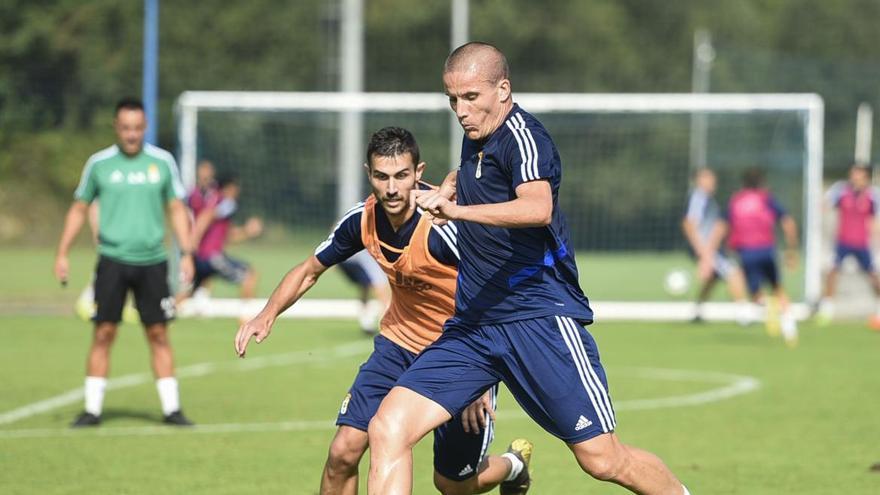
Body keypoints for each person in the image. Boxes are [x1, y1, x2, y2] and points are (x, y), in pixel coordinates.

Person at [368, 42, 690, 495]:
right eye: (452, 99)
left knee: (602, 458)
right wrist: (452, 184)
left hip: (537, 316)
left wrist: (455, 213)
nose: (461, 110)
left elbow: (537, 207)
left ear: (503, 89)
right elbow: (479, 177)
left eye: (471, 97)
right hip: (474, 325)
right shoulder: (475, 134)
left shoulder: (525, 135)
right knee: (388, 428)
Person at [234, 126, 532, 495]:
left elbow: (499, 293)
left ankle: (514, 465)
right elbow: (310, 270)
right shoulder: (362, 219)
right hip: (398, 345)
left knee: (454, 485)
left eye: (401, 176)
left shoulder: (444, 226)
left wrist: (479, 377)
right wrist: (267, 313)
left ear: (418, 174)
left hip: (458, 355)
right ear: (368, 174)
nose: (391, 188)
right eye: (382, 176)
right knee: (343, 452)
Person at [54, 97, 195, 427]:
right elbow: (79, 207)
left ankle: (172, 409)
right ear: (116, 128)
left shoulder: (161, 163)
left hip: (153, 262)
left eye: (137, 128)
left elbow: (176, 208)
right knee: (103, 332)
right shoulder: (99, 164)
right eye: (126, 128)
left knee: (158, 332)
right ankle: (92, 410)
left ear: (145, 128)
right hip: (112, 261)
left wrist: (186, 253)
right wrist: (62, 251)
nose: (132, 134)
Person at [712, 168, 799, 345]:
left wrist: (711, 251)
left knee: (756, 295)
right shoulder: (766, 199)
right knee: (777, 287)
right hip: (767, 251)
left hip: (747, 252)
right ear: (761, 183)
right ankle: (789, 326)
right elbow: (788, 223)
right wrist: (791, 250)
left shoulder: (736, 201)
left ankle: (766, 310)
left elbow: (721, 226)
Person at [183, 171, 263, 308]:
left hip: (202, 257)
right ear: (230, 188)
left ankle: (161, 312)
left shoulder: (213, 200)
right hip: (211, 256)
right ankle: (249, 322)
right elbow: (205, 218)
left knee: (187, 293)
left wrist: (246, 231)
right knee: (249, 275)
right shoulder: (226, 202)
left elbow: (226, 235)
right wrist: (192, 244)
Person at [681, 168, 750, 324]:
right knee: (734, 272)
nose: (713, 182)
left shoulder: (708, 199)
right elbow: (689, 224)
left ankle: (697, 311)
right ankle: (744, 314)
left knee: (714, 278)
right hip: (706, 248)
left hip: (710, 248)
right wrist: (705, 255)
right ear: (699, 181)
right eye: (708, 179)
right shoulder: (698, 198)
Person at [817, 164, 880, 327]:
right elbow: (825, 204)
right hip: (842, 241)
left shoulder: (873, 195)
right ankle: (826, 309)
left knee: (873, 276)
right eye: (853, 174)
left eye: (858, 175)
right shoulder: (841, 190)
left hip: (862, 243)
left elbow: (876, 219)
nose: (854, 177)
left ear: (866, 177)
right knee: (832, 271)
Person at [338, 250, 392, 334]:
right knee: (379, 287)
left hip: (344, 257)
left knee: (365, 286)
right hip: (359, 254)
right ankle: (385, 325)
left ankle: (366, 321)